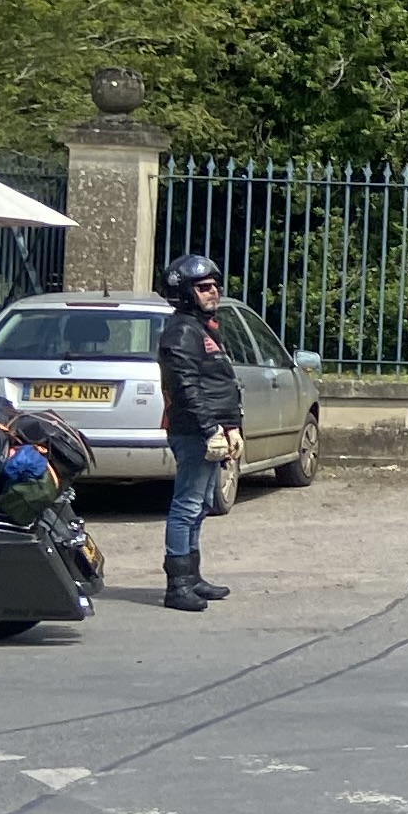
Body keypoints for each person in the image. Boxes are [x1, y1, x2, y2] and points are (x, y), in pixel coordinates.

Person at [153, 254, 244, 611]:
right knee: (186, 505)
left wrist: (232, 426)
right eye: (204, 287)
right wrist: (210, 429)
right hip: (194, 432)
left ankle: (193, 577)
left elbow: (218, 383)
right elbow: (186, 385)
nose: (213, 292)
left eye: (214, 285)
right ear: (185, 292)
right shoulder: (182, 331)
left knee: (202, 504)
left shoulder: (202, 328)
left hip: (212, 429)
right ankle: (177, 586)